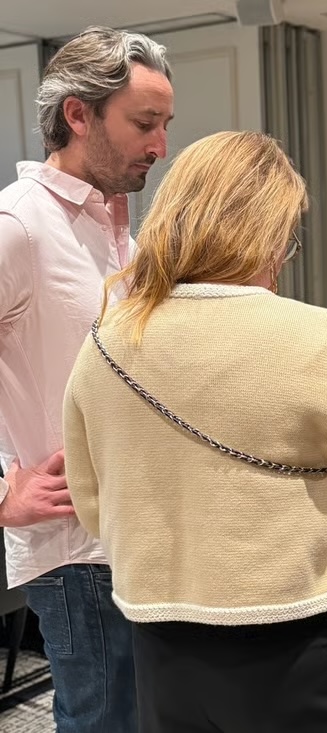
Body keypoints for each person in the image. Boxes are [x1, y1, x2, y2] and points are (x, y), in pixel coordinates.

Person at [62, 130, 327, 733]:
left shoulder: (105, 343)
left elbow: (94, 507)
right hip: (298, 640)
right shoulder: (322, 339)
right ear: (269, 230)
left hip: (161, 641)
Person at [0, 26, 173, 732]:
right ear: (78, 114)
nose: (161, 146)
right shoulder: (17, 225)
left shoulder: (122, 235)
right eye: (144, 123)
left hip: (141, 533)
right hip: (75, 550)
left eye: (164, 124)